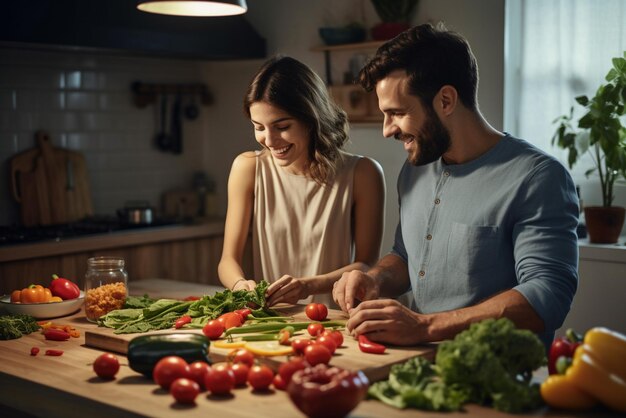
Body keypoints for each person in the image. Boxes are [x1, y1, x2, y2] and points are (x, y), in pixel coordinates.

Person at [332, 23, 579, 349]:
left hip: (497, 380)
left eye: (397, 113)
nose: (387, 130)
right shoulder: (414, 169)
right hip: (417, 365)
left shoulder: (538, 177)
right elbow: (407, 256)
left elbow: (548, 292)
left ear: (446, 100)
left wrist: (425, 326)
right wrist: (375, 279)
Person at [218, 55, 386, 308]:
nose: (269, 140)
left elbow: (366, 265)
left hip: (335, 318)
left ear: (311, 119)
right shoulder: (248, 168)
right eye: (258, 127)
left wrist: (308, 286)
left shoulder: (363, 173)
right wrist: (241, 285)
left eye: (282, 126)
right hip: (273, 319)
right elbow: (227, 261)